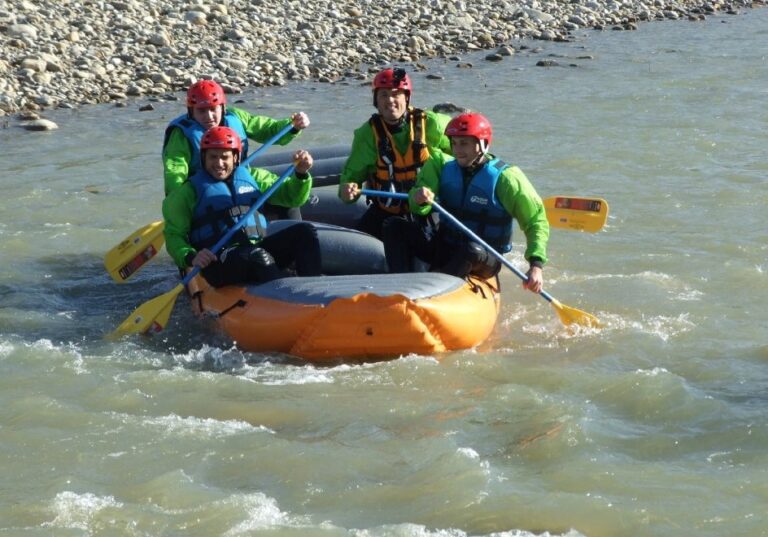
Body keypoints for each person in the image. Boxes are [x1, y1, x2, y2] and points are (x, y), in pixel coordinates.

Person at [382, 112, 549, 293]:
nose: (457, 150)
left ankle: (434, 293)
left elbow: (535, 221)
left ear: (482, 144)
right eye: (454, 143)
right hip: (445, 245)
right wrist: (418, 198)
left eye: (464, 143)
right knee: (394, 226)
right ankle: (399, 288)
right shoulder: (444, 167)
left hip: (483, 257)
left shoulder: (506, 178)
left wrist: (536, 266)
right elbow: (418, 206)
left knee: (471, 250)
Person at [163, 126, 321, 287]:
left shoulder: (254, 177)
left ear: (236, 158)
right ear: (204, 158)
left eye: (225, 157)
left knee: (305, 232)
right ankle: (286, 297)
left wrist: (301, 174)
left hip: (255, 247)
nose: (218, 163)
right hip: (218, 261)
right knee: (258, 256)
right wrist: (190, 256)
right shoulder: (187, 192)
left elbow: (292, 198)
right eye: (212, 157)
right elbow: (173, 235)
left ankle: (313, 290)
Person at [162, 79, 310, 220]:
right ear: (191, 111)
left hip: (240, 178)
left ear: (222, 107)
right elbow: (175, 170)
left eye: (213, 109)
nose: (209, 116)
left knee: (288, 204)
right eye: (201, 111)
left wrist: (292, 125)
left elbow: (265, 128)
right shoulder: (181, 134)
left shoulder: (235, 117)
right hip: (204, 187)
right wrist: (179, 204)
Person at [338, 67, 453, 239]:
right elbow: (351, 176)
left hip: (429, 209)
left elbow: (462, 154)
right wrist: (347, 190)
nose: (390, 100)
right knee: (356, 244)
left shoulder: (432, 124)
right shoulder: (367, 135)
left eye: (396, 94)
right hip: (386, 211)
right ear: (376, 101)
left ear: (406, 98)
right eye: (383, 95)